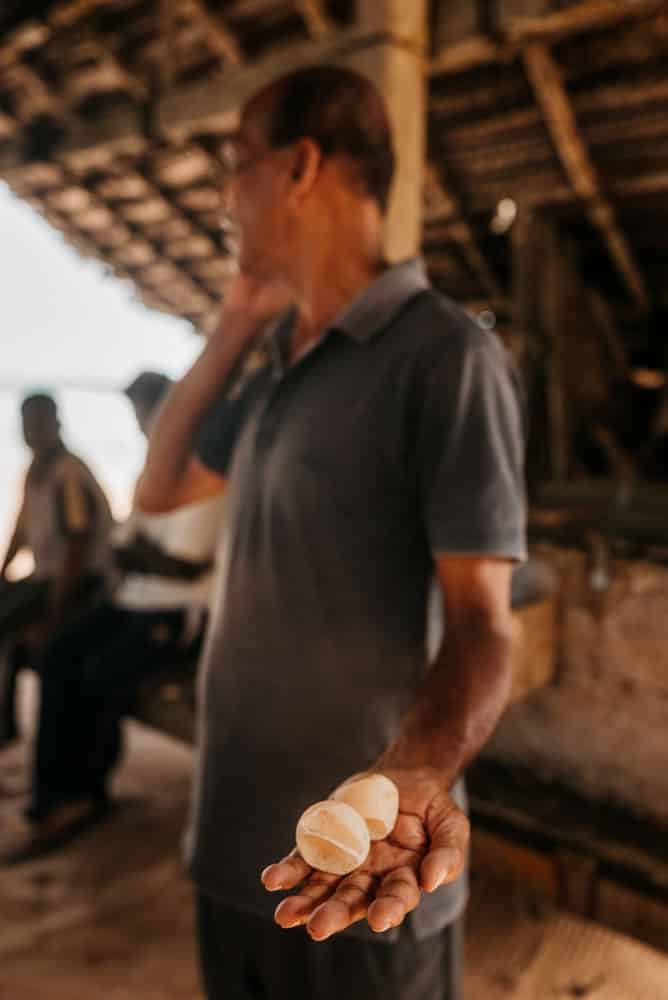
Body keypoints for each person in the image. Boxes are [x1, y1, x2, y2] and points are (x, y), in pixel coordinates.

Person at [135, 66, 527, 1000]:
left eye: (239, 167)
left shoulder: (444, 356)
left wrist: (416, 774)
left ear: (302, 165)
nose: (227, 198)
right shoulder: (276, 367)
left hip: (361, 874)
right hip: (234, 855)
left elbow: (484, 625)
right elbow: (157, 486)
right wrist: (234, 324)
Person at [3, 373, 226, 858]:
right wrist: (145, 554)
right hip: (132, 599)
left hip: (173, 610)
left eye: (151, 412)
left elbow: (181, 562)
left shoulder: (209, 468)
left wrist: (144, 553)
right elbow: (127, 545)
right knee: (56, 657)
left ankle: (86, 793)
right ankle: (51, 798)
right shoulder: (154, 468)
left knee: (97, 675)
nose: (148, 424)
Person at [0, 392, 112, 746]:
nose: (32, 431)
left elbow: (78, 547)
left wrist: (54, 613)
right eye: (27, 424)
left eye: (39, 422)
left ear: (56, 422)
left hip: (81, 581)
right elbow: (21, 530)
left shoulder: (68, 472)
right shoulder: (35, 471)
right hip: (48, 578)